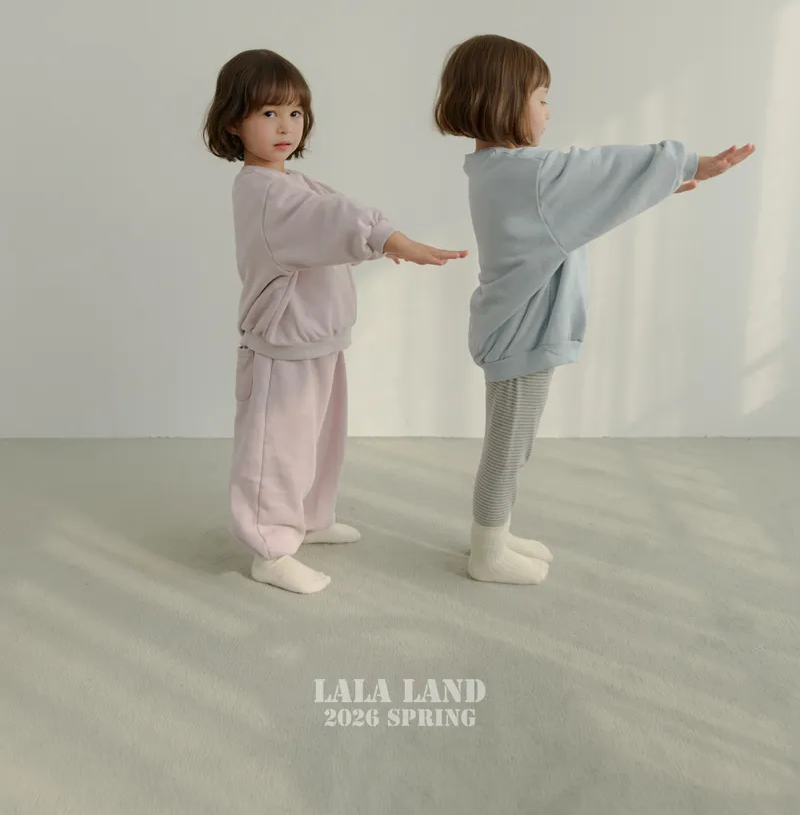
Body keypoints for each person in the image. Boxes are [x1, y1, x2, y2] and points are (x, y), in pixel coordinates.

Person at [434, 33, 754, 585]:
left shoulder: (498, 170)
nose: (548, 111)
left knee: (515, 442)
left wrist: (658, 186)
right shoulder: (528, 174)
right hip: (521, 333)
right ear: (503, 100)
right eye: (541, 98)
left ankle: (496, 532)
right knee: (507, 448)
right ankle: (487, 551)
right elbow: (598, 170)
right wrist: (686, 163)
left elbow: (584, 203)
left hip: (516, 328)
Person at [205, 48, 467, 595]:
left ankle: (309, 517)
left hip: (318, 342)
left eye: (295, 113)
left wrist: (380, 240)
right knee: (277, 449)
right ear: (233, 122)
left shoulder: (292, 183)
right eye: (268, 113)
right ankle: (270, 548)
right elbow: (333, 219)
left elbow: (333, 213)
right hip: (281, 350)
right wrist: (392, 240)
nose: (285, 126)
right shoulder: (264, 194)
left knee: (320, 440)